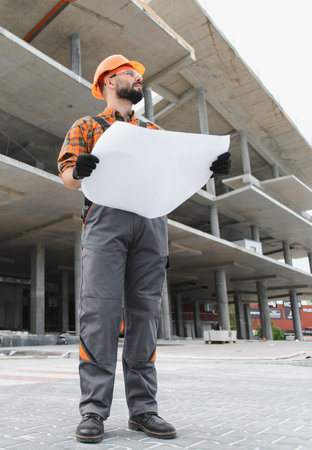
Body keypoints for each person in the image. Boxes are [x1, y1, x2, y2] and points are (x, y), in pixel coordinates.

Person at [58, 54, 231, 444]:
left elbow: (174, 173)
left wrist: (209, 168)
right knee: (99, 313)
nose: (138, 80)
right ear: (106, 83)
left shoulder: (153, 129)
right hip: (106, 220)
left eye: (139, 76)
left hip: (151, 222)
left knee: (145, 313)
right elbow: (68, 176)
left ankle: (143, 410)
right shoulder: (87, 125)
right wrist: (79, 171)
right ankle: (93, 410)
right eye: (129, 75)